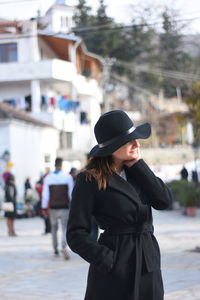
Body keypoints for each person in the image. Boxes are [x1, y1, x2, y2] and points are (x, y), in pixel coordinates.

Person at [67, 110, 172, 300]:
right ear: (112, 146)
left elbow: (164, 201)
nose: (136, 143)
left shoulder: (136, 171)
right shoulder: (90, 179)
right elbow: (75, 234)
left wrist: (139, 165)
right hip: (115, 265)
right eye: (129, 140)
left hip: (148, 261)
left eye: (136, 138)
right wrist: (106, 259)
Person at [42, 158, 73, 260]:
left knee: (54, 229)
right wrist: (72, 205)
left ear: (54, 165)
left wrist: (44, 207)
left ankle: (55, 249)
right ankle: (63, 246)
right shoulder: (67, 177)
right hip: (64, 206)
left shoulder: (48, 178)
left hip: (53, 207)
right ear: (61, 165)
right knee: (64, 228)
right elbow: (70, 193)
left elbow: (45, 194)